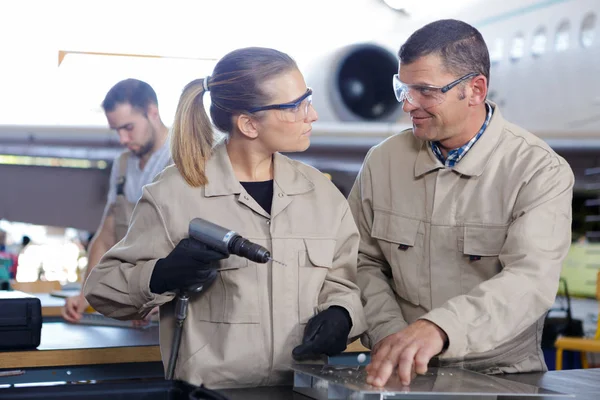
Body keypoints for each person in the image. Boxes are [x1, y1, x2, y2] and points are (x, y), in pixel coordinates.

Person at [84, 47, 367, 388]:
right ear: (248, 123)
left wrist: (343, 313)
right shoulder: (174, 195)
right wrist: (159, 275)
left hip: (302, 393)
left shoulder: (321, 196)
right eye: (296, 107)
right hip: (211, 395)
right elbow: (102, 289)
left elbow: (346, 281)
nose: (313, 115)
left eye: (307, 99)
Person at [348, 19, 574, 387]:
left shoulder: (538, 170)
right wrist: (390, 333)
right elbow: (360, 260)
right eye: (403, 89)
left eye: (425, 91)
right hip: (404, 373)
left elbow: (529, 280)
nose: (408, 105)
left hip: (504, 378)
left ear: (475, 89)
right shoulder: (383, 162)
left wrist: (439, 328)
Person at [62, 79, 172, 323]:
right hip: (132, 304)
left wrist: (167, 298)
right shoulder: (122, 165)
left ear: (152, 112)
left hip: (171, 308)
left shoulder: (182, 158)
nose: (122, 138)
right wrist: (86, 295)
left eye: (128, 127)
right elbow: (107, 236)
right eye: (117, 130)